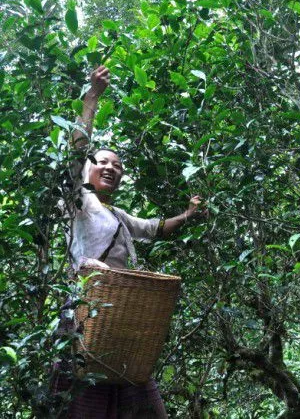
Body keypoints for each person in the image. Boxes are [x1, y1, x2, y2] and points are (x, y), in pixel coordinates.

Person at [51, 65, 205, 418]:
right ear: (88, 168)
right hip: (86, 314)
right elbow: (76, 153)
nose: (110, 168)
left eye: (117, 165)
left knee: (140, 401)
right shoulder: (79, 201)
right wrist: (92, 98)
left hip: (121, 318)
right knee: (81, 401)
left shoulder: (118, 215)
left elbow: (153, 228)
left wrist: (188, 215)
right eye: (102, 161)